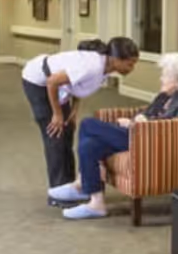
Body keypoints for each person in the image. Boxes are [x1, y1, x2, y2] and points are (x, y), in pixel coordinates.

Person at [48, 52, 178, 220]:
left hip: (150, 140)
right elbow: (148, 113)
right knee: (90, 145)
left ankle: (81, 184)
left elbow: (172, 125)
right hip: (138, 133)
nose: (162, 78)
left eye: (165, 75)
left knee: (88, 124)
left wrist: (136, 124)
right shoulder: (165, 94)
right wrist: (133, 120)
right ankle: (96, 203)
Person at [21, 37, 139, 206]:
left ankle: (69, 187)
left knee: (67, 131)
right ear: (115, 59)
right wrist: (57, 114)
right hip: (38, 80)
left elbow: (78, 85)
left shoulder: (104, 68)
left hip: (58, 85)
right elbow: (52, 81)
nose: (132, 68)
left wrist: (73, 110)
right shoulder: (92, 66)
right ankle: (57, 194)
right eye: (129, 63)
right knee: (55, 136)